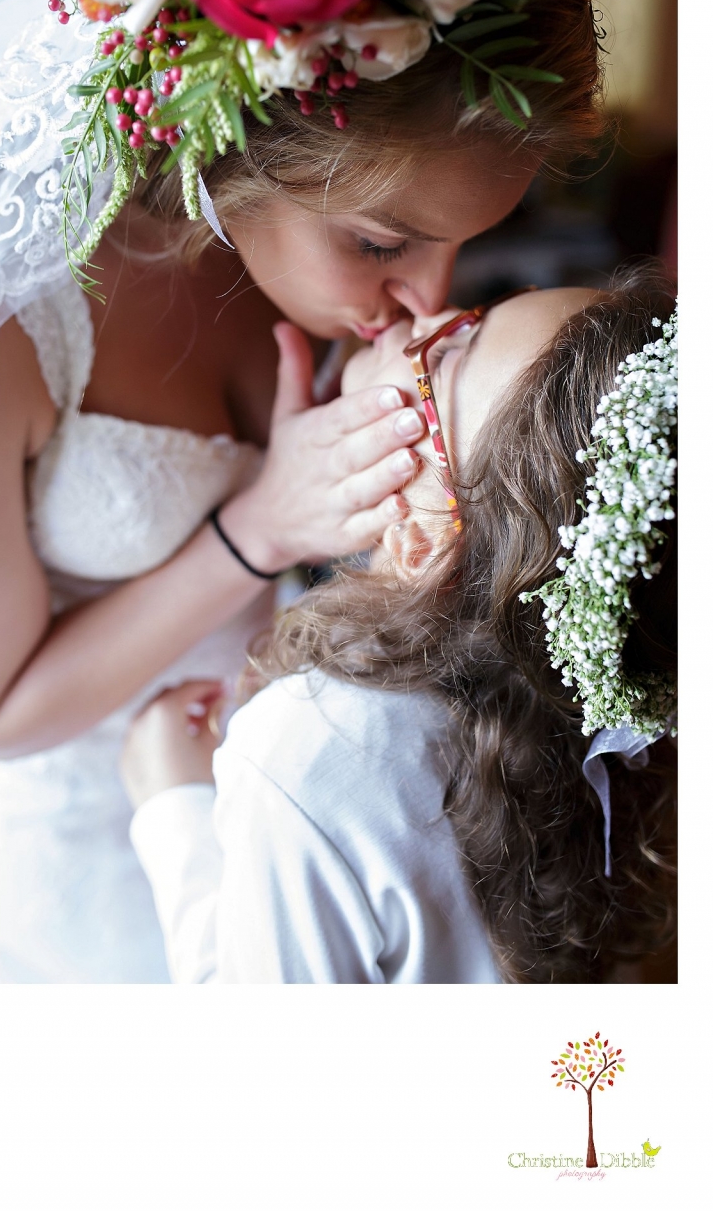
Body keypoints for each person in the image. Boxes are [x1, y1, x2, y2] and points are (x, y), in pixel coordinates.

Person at [0, 0, 605, 981]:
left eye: (463, 243)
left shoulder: (309, 269)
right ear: (250, 150)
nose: (426, 297)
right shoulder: (2, 300)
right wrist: (259, 528)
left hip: (308, 836)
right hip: (81, 874)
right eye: (380, 242)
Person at [122, 270, 677, 983]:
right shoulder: (603, 708)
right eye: (477, 309)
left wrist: (174, 807)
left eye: (449, 349)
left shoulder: (311, 753)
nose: (428, 310)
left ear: (419, 540)